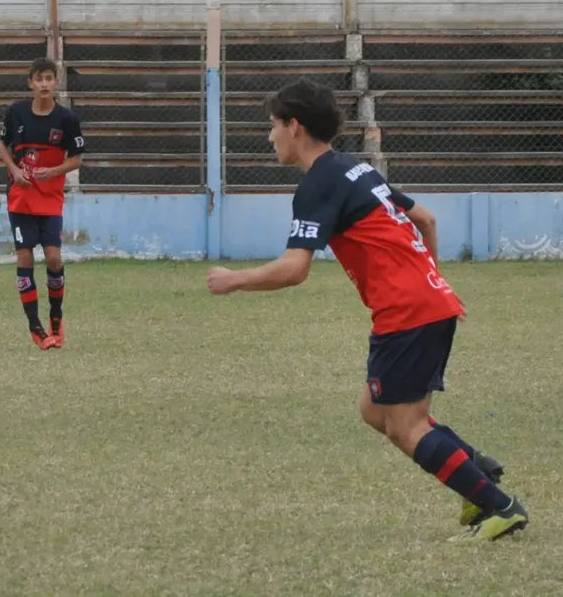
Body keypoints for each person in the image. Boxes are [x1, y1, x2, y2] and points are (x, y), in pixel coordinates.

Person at [206, 79, 528, 542]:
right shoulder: (354, 168)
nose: (269, 136)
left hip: (408, 310)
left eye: (273, 126)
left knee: (405, 425)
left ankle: (500, 507)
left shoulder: (318, 184)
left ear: (294, 126)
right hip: (425, 301)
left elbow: (295, 269)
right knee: (375, 409)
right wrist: (431, 281)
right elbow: (425, 218)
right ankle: (476, 471)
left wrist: (235, 280)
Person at [0, 58, 85, 350]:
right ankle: (36, 328)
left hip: (50, 199)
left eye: (49, 78)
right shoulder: (16, 113)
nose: (44, 84)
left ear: (56, 83)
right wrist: (15, 170)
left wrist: (54, 172)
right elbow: (2, 146)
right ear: (30, 83)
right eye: (39, 79)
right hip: (20, 197)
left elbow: (76, 158)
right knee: (24, 258)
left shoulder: (67, 119)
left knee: (53, 258)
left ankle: (55, 319)